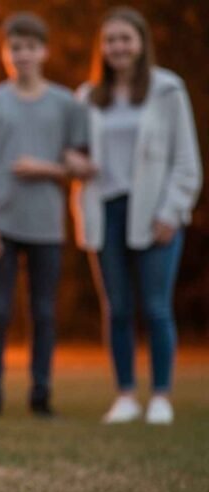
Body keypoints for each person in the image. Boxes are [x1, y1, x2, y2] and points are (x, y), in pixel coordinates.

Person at [67, 6, 202, 425]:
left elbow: (186, 159)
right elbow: (70, 151)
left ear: (141, 43)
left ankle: (160, 397)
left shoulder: (167, 90)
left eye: (126, 38)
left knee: (157, 308)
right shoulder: (87, 96)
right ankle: (125, 395)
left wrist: (173, 210)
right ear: (101, 48)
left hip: (154, 212)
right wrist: (75, 162)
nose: (118, 47)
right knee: (118, 308)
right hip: (103, 210)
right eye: (110, 40)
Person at [0, 12, 88, 417]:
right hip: (0, 222)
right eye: (15, 48)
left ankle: (41, 395)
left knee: (44, 313)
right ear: (5, 52)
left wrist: (45, 169)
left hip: (47, 226)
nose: (24, 55)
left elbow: (82, 166)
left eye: (31, 47)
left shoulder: (66, 104)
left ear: (44, 51)